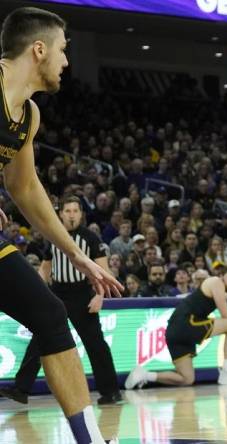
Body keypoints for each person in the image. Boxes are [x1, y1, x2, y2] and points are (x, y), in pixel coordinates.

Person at [0, 8, 122, 444]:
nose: (67, 62)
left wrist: (77, 255)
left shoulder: (27, 116)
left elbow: (26, 188)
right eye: (63, 50)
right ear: (39, 50)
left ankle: (89, 439)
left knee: (50, 314)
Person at [1, 196, 121, 406]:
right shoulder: (54, 238)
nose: (72, 215)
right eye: (68, 211)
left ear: (81, 214)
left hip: (83, 295)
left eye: (75, 211)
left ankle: (110, 390)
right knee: (40, 340)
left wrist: (99, 296)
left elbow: (102, 268)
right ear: (60, 214)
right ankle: (21, 388)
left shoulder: (90, 238)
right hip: (58, 292)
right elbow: (45, 268)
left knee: (96, 344)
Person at [124, 264, 227, 389]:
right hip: (186, 324)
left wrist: (224, 296)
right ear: (222, 275)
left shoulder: (218, 288)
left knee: (187, 379)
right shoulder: (216, 281)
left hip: (174, 332)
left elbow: (217, 297)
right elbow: (225, 314)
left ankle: (144, 375)